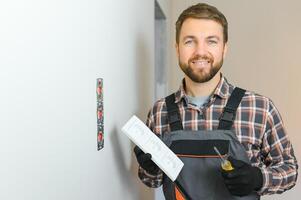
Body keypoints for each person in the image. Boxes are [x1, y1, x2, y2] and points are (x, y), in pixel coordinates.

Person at [134, 3, 298, 200]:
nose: (200, 51)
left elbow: (290, 170)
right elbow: (152, 181)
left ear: (224, 48)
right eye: (189, 41)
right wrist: (149, 168)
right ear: (177, 48)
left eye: (211, 41)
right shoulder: (159, 112)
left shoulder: (260, 108)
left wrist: (258, 178)